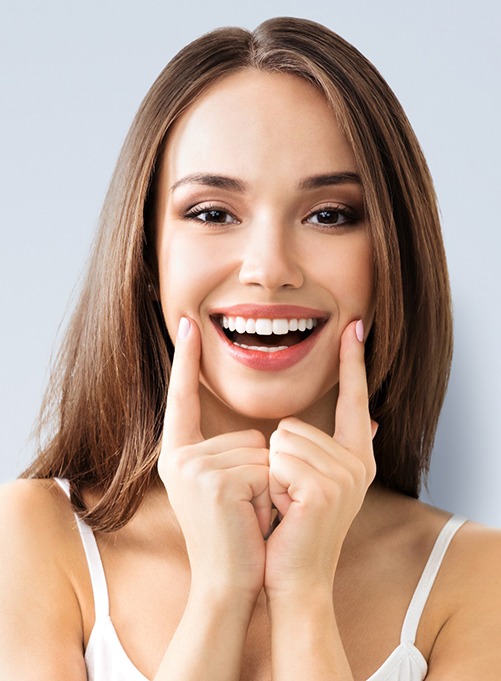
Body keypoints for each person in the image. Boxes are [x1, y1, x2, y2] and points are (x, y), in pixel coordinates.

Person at [1, 16, 500, 681]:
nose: (269, 267)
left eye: (329, 214)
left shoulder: (476, 577)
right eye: (212, 212)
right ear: (148, 258)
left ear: (390, 261)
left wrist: (302, 597)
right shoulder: (34, 537)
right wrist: (219, 590)